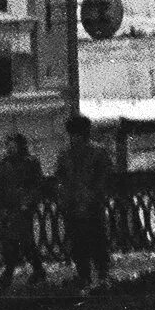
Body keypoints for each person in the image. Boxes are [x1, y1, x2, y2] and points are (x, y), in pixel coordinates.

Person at [55, 113, 114, 289]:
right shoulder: (69, 154)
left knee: (94, 241)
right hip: (79, 204)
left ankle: (98, 276)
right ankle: (90, 276)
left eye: (77, 134)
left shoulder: (73, 154)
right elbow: (61, 180)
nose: (74, 138)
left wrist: (91, 196)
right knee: (82, 243)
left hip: (88, 204)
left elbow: (103, 179)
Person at [0, 132, 46, 290]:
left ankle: (10, 273)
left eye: (12, 144)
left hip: (23, 208)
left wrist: (28, 202)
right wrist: (1, 207)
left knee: (22, 241)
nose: (9, 147)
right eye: (8, 144)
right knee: (13, 241)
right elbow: (1, 187)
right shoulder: (5, 164)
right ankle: (35, 270)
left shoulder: (30, 162)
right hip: (10, 208)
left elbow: (37, 185)